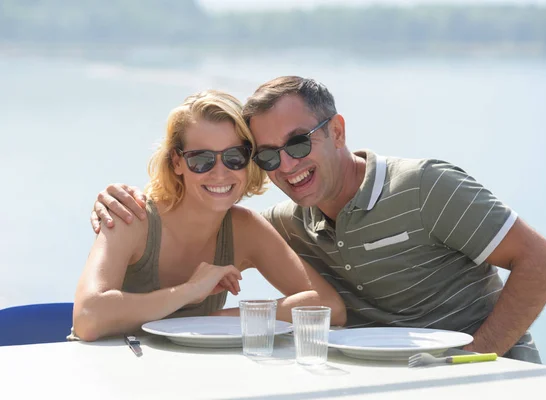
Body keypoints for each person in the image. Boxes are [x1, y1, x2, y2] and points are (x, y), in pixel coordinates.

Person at [90, 77, 546, 363]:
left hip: (493, 373)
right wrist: (119, 199)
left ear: (337, 130)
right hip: (386, 381)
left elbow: (543, 262)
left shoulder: (424, 187)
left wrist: (475, 359)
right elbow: (198, 212)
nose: (289, 165)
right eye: (270, 155)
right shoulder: (289, 222)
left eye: (299, 143)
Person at [73, 89, 345, 342]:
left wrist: (218, 320)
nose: (219, 173)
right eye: (201, 159)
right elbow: (87, 317)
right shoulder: (130, 215)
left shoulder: (244, 228)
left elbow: (330, 307)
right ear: (177, 162)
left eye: (234, 157)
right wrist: (189, 292)